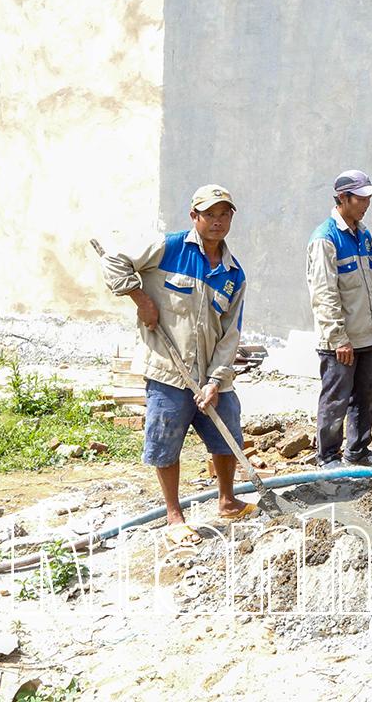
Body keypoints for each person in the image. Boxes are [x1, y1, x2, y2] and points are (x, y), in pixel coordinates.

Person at [103, 185, 254, 546]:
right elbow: (114, 261)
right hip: (169, 371)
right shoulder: (168, 248)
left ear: (231, 217)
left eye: (224, 214)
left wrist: (217, 381)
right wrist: (140, 297)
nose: (217, 222)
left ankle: (227, 500)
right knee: (165, 442)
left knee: (227, 434)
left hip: (211, 376)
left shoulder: (234, 274)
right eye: (209, 214)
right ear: (194, 217)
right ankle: (174, 516)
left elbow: (230, 335)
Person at [306, 169, 372, 467]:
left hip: (365, 335)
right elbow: (324, 294)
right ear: (343, 198)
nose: (366, 204)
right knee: (336, 399)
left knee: (365, 396)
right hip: (340, 341)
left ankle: (358, 451)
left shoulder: (363, 235)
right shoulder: (325, 239)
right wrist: (338, 338)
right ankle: (328, 456)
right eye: (361, 198)